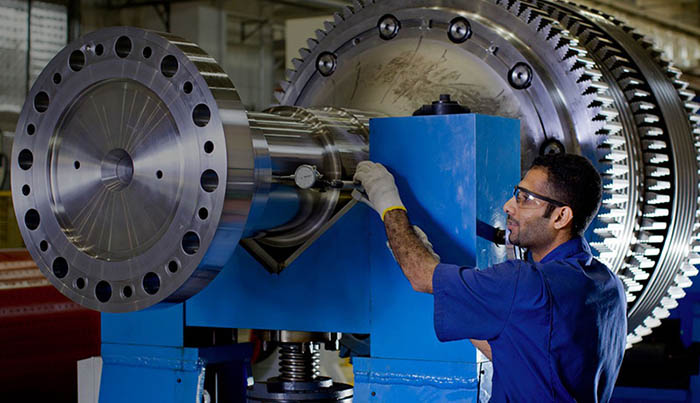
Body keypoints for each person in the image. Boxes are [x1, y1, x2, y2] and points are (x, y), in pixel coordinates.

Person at [353, 153, 627, 403]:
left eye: (525, 198)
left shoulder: (525, 283)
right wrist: (461, 294)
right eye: (516, 193)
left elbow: (420, 276)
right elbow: (524, 354)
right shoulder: (608, 285)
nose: (508, 206)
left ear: (561, 216)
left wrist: (388, 204)